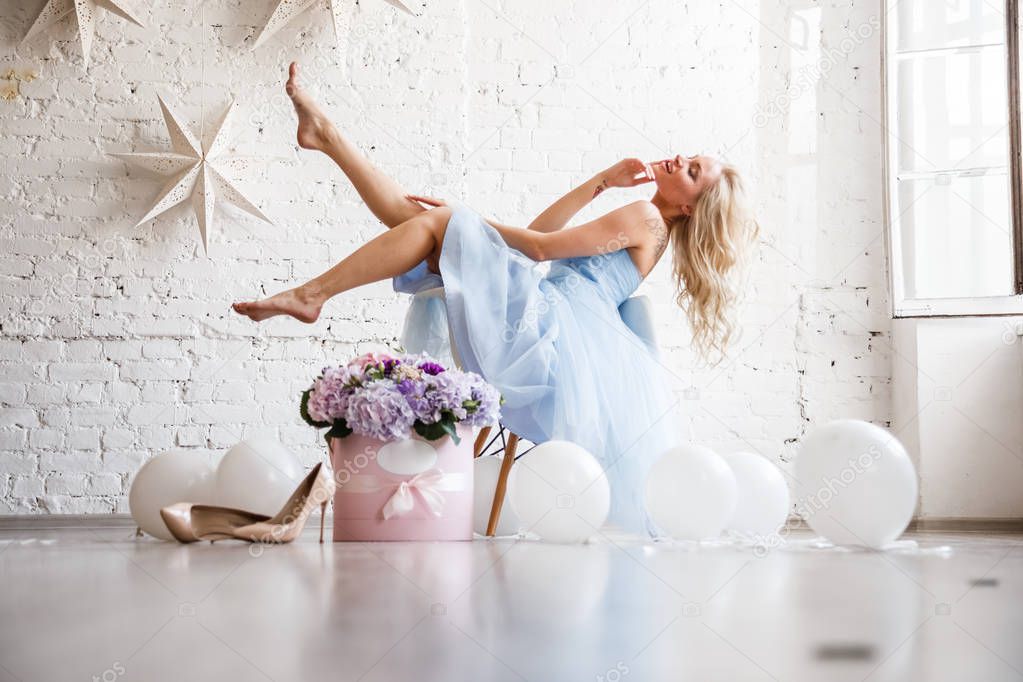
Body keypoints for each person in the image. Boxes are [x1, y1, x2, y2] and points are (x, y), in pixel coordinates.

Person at [234, 63, 759, 537]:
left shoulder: (645, 220)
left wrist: (467, 217)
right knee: (423, 223)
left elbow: (538, 246)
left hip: (543, 327)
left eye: (692, 171)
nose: (681, 160)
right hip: (545, 311)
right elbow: (537, 237)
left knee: (435, 222)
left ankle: (313, 283)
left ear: (691, 208)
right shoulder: (649, 222)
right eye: (691, 157)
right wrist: (599, 183)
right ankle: (325, 141)